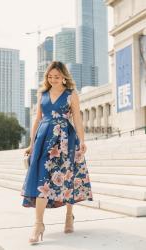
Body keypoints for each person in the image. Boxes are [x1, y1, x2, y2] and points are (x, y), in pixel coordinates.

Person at [21, 61, 93, 245]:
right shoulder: (43, 94)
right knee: (41, 180)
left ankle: (69, 215)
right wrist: (31, 144)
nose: (53, 80)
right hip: (44, 140)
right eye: (50, 77)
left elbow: (77, 119)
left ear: (64, 76)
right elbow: (37, 120)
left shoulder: (71, 95)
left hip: (65, 140)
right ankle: (38, 224)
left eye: (57, 76)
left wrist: (82, 141)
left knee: (68, 176)